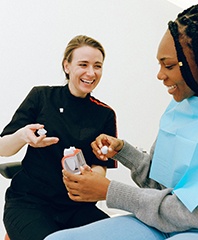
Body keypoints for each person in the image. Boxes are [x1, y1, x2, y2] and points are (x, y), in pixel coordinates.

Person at [44, 3, 198, 240]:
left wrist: (111, 192)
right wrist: (124, 152)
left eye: (168, 65)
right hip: (164, 222)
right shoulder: (180, 110)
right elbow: (161, 188)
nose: (160, 75)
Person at [0, 35, 117, 240]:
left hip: (77, 207)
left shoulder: (105, 114)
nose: (91, 73)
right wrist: (22, 136)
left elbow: (101, 166)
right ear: (67, 66)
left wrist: (92, 174)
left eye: (97, 66)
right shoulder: (41, 97)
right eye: (83, 64)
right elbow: (3, 148)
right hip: (29, 202)